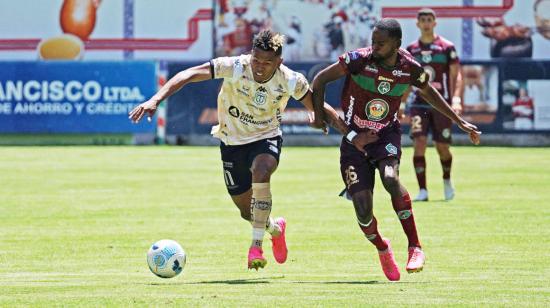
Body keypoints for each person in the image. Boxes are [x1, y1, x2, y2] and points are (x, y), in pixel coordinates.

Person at [129, 29, 349, 271]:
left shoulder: (290, 79)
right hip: (231, 142)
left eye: (267, 63)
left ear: (279, 62)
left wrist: (350, 134)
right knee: (248, 212)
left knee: (262, 170)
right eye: (256, 60)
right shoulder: (235, 66)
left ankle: (256, 247)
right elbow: (188, 74)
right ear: (250, 55)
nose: (260, 67)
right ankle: (275, 229)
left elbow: (319, 105)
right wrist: (155, 100)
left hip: (267, 137)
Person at [311, 18, 480, 281]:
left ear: (396, 44)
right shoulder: (358, 60)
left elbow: (428, 91)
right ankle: (382, 247)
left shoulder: (410, 67)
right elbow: (320, 80)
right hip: (354, 140)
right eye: (373, 42)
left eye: (381, 43)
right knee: (363, 209)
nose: (374, 47)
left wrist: (459, 120)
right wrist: (322, 120)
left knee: (390, 178)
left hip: (385, 136)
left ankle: (415, 247)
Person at [403, 8, 464, 201]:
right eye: (423, 20)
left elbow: (457, 75)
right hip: (418, 104)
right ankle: (423, 190)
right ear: (417, 24)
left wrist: (456, 98)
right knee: (419, 143)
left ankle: (446, 180)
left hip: (441, 104)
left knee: (442, 147)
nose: (426, 23)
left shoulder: (447, 47)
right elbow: (406, 79)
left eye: (430, 20)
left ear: (435, 23)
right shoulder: (411, 50)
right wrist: (402, 103)